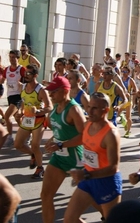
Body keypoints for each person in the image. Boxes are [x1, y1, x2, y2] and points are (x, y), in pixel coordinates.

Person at [64, 92, 122, 222]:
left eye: (95, 108)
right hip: (88, 178)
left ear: (106, 110)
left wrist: (86, 175)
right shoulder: (88, 124)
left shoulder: (111, 134)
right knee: (69, 219)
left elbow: (113, 167)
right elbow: (80, 139)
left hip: (107, 182)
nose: (89, 111)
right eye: (89, 106)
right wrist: (61, 144)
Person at [40, 76, 86, 223]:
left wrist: (61, 145)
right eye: (50, 92)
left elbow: (84, 137)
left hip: (76, 159)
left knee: (91, 203)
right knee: (46, 195)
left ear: (64, 91)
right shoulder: (55, 108)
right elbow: (59, 131)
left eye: (53, 92)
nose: (50, 95)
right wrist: (53, 140)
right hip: (59, 157)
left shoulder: (74, 110)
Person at [14, 64, 53, 179]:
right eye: (25, 73)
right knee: (18, 144)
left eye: (29, 73)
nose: (26, 75)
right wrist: (20, 111)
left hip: (38, 121)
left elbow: (49, 107)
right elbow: (23, 101)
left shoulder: (40, 90)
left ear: (35, 75)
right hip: (27, 120)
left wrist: (38, 111)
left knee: (35, 145)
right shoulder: (23, 87)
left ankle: (40, 168)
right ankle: (33, 155)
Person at [0, 50, 25, 148]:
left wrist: (22, 84)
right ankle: (27, 133)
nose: (11, 59)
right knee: (17, 118)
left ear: (18, 58)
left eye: (14, 57)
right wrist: (1, 81)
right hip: (10, 96)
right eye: (10, 57)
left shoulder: (22, 69)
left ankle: (9, 137)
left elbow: (29, 81)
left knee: (7, 116)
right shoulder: (7, 69)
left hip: (19, 96)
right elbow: (3, 80)